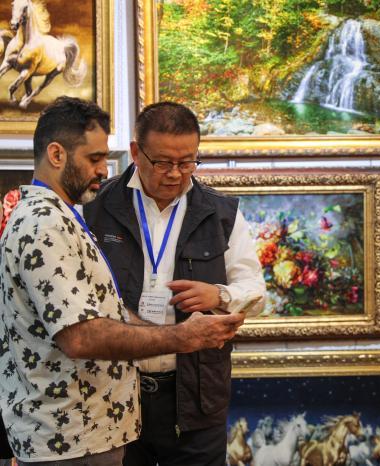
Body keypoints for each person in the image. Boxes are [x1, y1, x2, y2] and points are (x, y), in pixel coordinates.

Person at [0, 97, 245, 465]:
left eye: (186, 162)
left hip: (91, 431)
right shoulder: (46, 227)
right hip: (70, 438)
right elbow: (81, 336)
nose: (104, 169)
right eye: (94, 158)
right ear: (56, 155)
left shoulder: (61, 219)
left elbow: (101, 310)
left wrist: (188, 327)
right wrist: (182, 337)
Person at [84, 101, 265, 466]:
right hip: (113, 393)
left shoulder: (220, 213)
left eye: (187, 162)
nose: (175, 174)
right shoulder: (96, 207)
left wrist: (219, 294)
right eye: (163, 162)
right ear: (136, 152)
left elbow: (256, 293)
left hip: (196, 396)